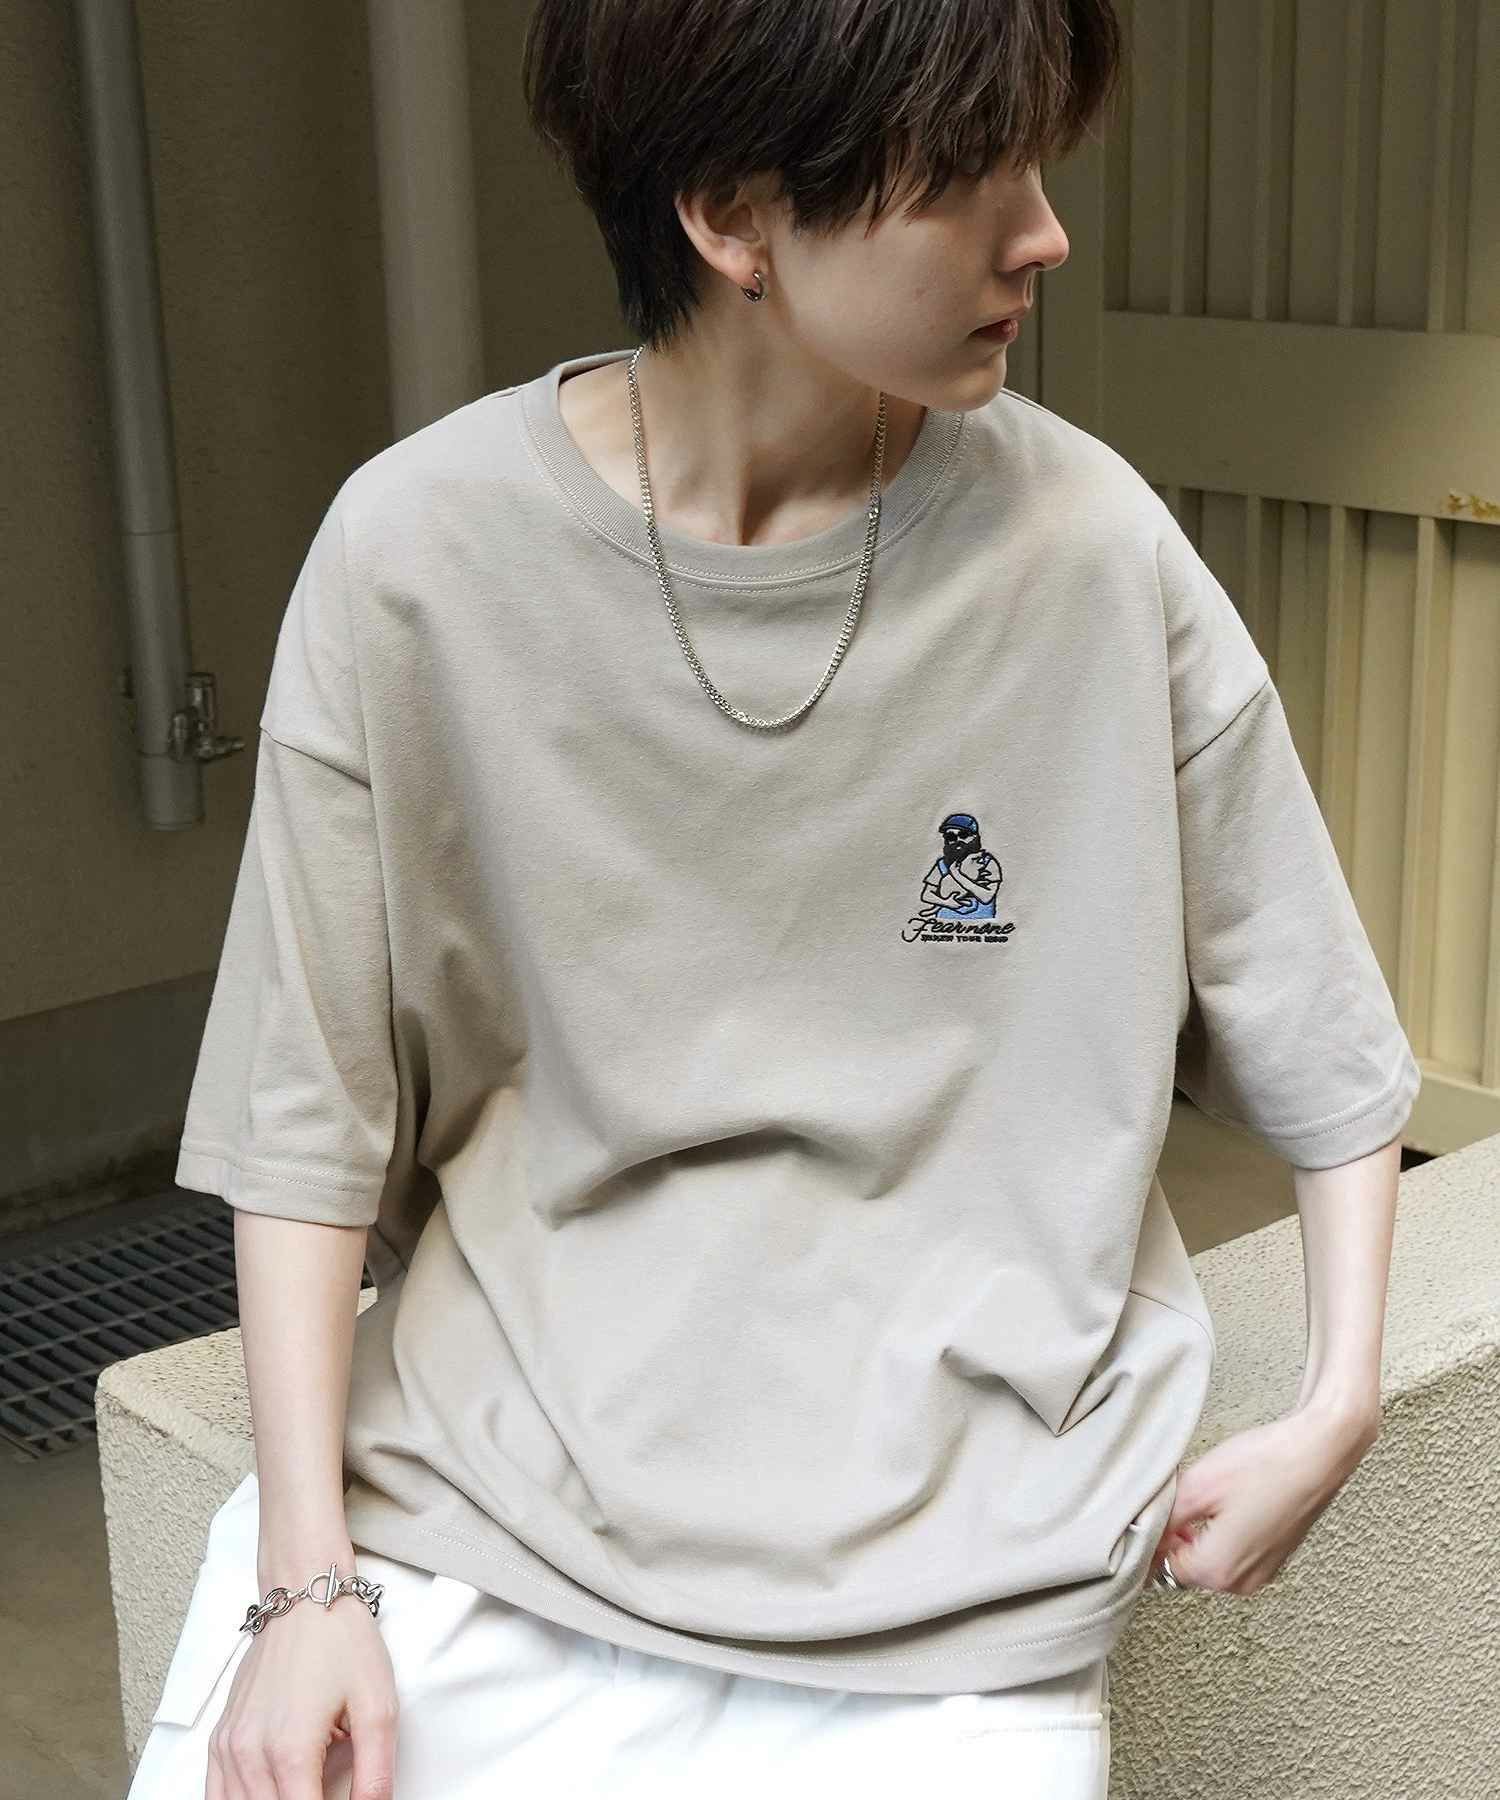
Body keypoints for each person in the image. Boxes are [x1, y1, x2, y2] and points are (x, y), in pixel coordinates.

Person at [128, 1, 1421, 1795]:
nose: (1045, 234)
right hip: (476, 1526)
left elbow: (1319, 1021)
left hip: (969, 1595)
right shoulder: (414, 554)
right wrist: (303, 1583)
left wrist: (1339, 1400)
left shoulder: (1092, 548)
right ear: (735, 216)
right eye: (971, 177)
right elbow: (305, 1108)